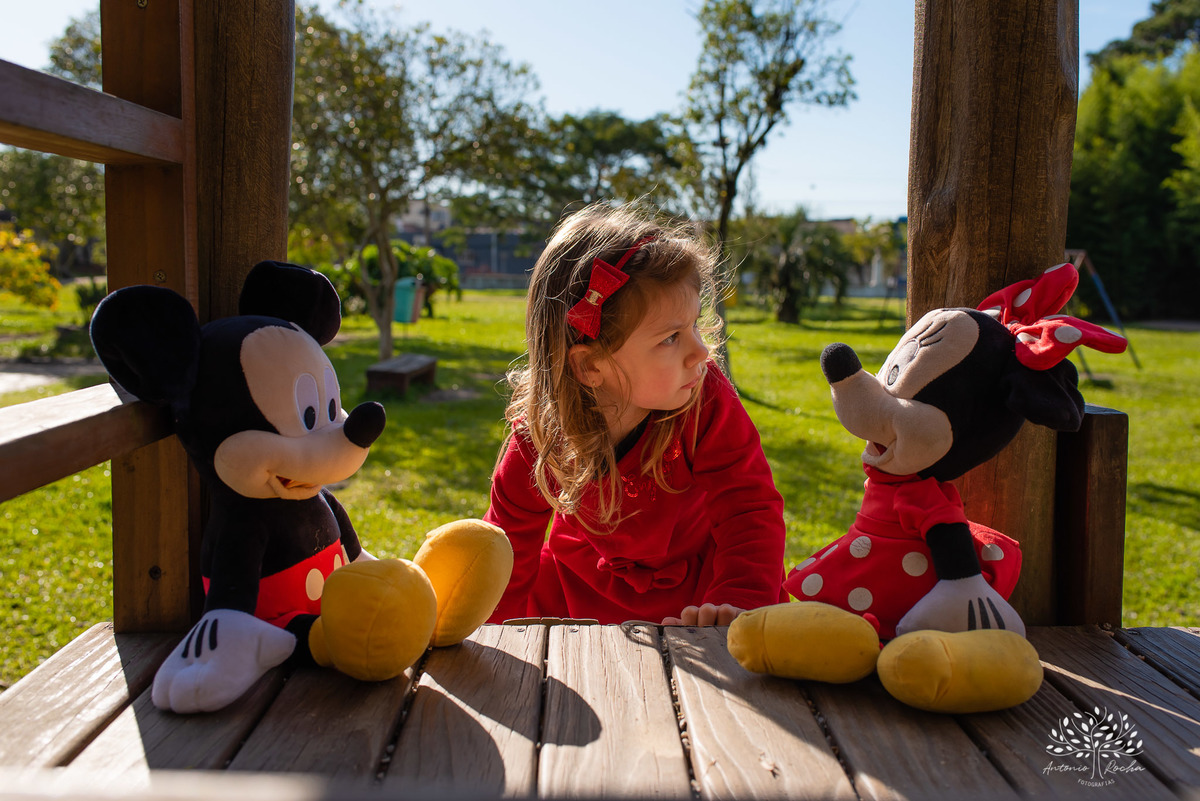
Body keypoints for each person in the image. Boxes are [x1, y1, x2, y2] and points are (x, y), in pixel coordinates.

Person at [484, 202, 786, 626]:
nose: (701, 352)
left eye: (694, 326)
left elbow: (748, 508)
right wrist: (494, 638)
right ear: (590, 366)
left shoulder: (704, 398)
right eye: (670, 338)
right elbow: (506, 543)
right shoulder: (541, 435)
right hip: (583, 586)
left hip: (703, 591)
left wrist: (738, 599)